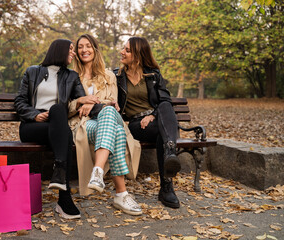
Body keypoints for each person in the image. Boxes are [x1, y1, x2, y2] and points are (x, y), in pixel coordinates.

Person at [14, 39, 98, 219]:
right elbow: (20, 101)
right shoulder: (32, 72)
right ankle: (64, 198)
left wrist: (99, 103)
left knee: (58, 110)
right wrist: (34, 114)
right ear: (59, 50)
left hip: (57, 124)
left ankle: (60, 174)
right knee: (65, 134)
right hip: (32, 126)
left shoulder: (72, 76)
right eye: (70, 49)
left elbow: (80, 100)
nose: (74, 53)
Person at [68, 34, 142, 216]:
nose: (84, 50)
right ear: (77, 52)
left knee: (108, 113)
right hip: (84, 125)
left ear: (95, 49)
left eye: (88, 46)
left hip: (106, 117)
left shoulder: (109, 76)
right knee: (116, 131)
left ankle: (97, 172)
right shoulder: (70, 76)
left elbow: (113, 103)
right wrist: (80, 101)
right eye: (80, 47)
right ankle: (121, 194)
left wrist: (92, 103)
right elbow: (65, 107)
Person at [114, 37, 181, 209]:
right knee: (163, 131)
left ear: (138, 55)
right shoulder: (117, 76)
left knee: (165, 107)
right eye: (124, 49)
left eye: (127, 50)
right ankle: (167, 185)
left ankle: (169, 153)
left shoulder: (153, 75)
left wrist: (152, 115)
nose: (122, 52)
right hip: (136, 125)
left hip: (157, 121)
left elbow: (164, 100)